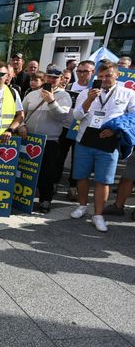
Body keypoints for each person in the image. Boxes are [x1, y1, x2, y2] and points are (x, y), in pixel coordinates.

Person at [70, 61, 135, 232]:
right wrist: (89, 100)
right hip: (85, 138)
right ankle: (82, 206)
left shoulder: (128, 93)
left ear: (117, 75)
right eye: (101, 76)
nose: (104, 79)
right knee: (81, 176)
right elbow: (77, 115)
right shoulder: (86, 93)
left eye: (108, 76)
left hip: (109, 141)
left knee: (103, 180)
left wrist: (115, 130)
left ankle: (98, 215)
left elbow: (132, 117)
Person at [19, 66, 72, 213]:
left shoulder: (64, 96)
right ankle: (21, 197)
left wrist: (51, 101)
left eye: (55, 77)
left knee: (47, 173)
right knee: (25, 170)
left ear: (61, 79)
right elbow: (21, 113)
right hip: (29, 138)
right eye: (49, 77)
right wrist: (22, 125)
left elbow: (62, 116)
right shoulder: (32, 94)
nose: (51, 80)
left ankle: (45, 200)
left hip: (50, 140)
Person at [58, 60, 95, 200]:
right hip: (66, 127)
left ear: (93, 72)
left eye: (85, 71)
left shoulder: (94, 89)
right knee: (59, 156)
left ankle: (72, 186)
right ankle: (55, 181)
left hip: (83, 130)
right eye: (79, 71)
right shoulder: (69, 85)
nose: (81, 74)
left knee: (77, 159)